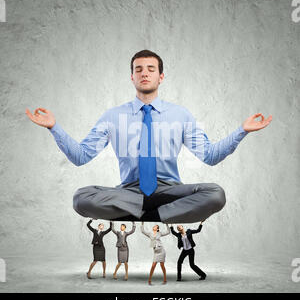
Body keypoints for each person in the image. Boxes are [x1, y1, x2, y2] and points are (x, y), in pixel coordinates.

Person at [25, 49, 272, 223]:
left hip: (170, 191)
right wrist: (53, 127)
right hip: (129, 192)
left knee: (216, 193)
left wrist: (242, 131)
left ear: (160, 76)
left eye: (151, 69)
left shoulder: (180, 114)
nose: (144, 73)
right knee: (81, 198)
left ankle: (148, 214)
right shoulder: (112, 116)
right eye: (138, 69)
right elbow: (81, 157)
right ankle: (155, 212)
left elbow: (210, 156)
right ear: (132, 77)